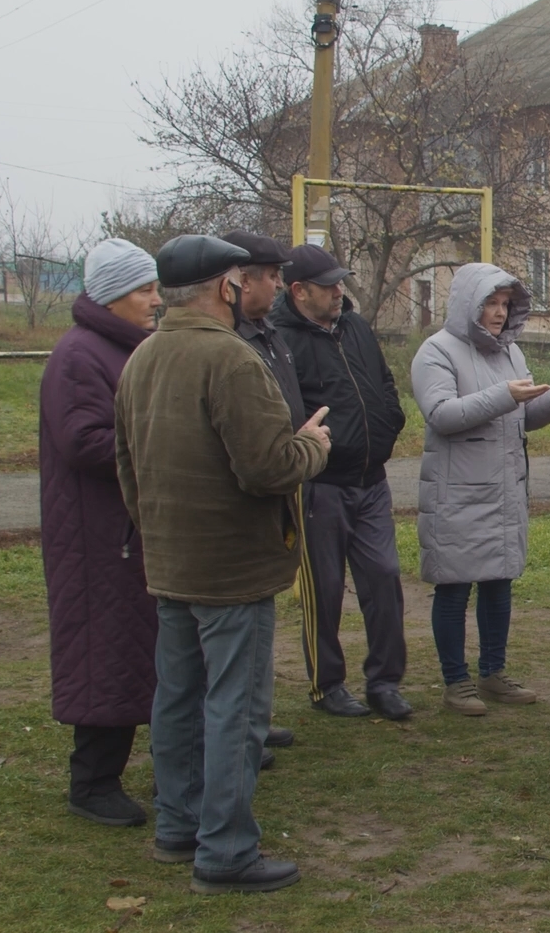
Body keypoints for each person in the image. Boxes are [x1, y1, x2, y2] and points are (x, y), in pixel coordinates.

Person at [114, 235, 331, 894]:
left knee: (177, 699)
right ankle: (226, 850)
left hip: (172, 559)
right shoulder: (230, 360)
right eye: (239, 281)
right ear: (221, 289)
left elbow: (127, 467)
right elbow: (268, 468)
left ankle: (178, 828)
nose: (244, 291)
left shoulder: (141, 359)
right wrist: (312, 445)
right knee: (235, 708)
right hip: (234, 567)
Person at [411, 263, 550, 716]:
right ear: (469, 303)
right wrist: (507, 396)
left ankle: (492, 673)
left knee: (498, 584)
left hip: (503, 492)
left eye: (506, 304)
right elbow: (443, 415)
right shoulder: (436, 353)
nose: (499, 313)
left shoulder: (511, 354)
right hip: (457, 494)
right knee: (453, 587)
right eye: (491, 303)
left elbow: (518, 418)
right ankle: (456, 682)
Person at [39, 238, 161, 828]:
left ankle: (161, 766)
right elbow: (85, 442)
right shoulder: (79, 355)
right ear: (112, 295)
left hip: (127, 531)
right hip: (95, 537)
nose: (155, 300)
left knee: (136, 650)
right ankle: (91, 782)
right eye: (144, 289)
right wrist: (161, 440)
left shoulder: (122, 349)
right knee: (103, 652)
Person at [271, 245, 413, 721]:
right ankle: (327, 684)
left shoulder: (354, 326)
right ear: (299, 291)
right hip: (319, 485)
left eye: (340, 281)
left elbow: (383, 382)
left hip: (371, 481)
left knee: (385, 578)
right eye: (329, 285)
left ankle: (385, 681)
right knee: (324, 589)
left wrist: (391, 419)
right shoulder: (278, 340)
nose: (339, 291)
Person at [219, 229, 305, 749]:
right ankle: (238, 733)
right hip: (242, 499)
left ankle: (254, 719)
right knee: (232, 628)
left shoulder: (269, 333)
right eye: (271, 276)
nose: (277, 285)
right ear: (238, 281)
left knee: (260, 618)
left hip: (278, 486)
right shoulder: (227, 345)